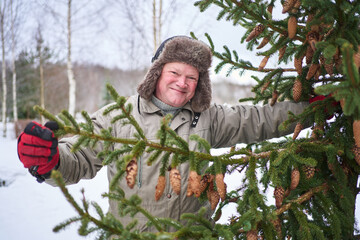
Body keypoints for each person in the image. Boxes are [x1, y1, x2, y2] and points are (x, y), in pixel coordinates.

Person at [17, 36, 308, 232]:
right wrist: (51, 162)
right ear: (157, 72)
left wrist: (310, 108)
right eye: (175, 73)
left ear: (199, 83)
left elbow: (257, 119)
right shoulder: (119, 115)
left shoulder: (209, 118)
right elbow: (79, 155)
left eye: (192, 77)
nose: (182, 83)